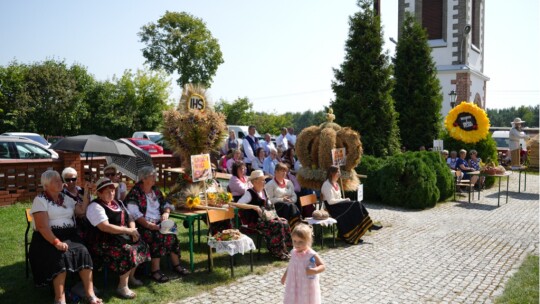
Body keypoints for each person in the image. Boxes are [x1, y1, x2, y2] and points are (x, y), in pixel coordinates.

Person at [29, 170, 102, 304]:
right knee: (60, 257)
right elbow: (42, 227)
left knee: (83, 251)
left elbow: (81, 211)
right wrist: (56, 242)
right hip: (47, 238)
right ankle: (60, 298)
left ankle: (90, 294)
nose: (60, 182)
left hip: (69, 235)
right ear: (46, 185)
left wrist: (86, 191)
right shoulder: (40, 200)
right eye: (55, 180)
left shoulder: (66, 198)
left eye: (59, 180)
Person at [86, 177, 150, 299]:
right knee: (127, 251)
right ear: (99, 193)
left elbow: (129, 217)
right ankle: (122, 286)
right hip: (103, 241)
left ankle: (131, 277)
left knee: (141, 245)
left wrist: (133, 231)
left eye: (113, 190)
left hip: (121, 236)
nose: (111, 193)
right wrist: (128, 231)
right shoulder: (95, 206)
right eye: (107, 191)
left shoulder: (118, 203)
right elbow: (105, 227)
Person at [124, 166, 189, 284]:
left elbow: (166, 203)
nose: (155, 178)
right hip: (143, 226)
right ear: (143, 179)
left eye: (155, 175)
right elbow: (134, 215)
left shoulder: (156, 190)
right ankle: (155, 270)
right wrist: (149, 225)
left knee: (172, 233)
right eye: (152, 176)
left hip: (158, 222)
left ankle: (176, 265)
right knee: (158, 236)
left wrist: (166, 212)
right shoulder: (135, 193)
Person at [234, 170, 292, 260]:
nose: (264, 182)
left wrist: (277, 216)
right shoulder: (249, 193)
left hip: (266, 218)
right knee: (278, 225)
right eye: (262, 180)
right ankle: (276, 252)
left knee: (284, 222)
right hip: (255, 221)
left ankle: (284, 249)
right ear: (255, 181)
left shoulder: (264, 191)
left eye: (264, 180)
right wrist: (254, 207)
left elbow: (270, 207)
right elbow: (238, 204)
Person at [321, 166, 381, 245]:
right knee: (355, 204)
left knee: (356, 205)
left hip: (337, 206)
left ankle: (359, 232)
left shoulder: (336, 184)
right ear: (332, 173)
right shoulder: (326, 185)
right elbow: (330, 201)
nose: (339, 174)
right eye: (338, 172)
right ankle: (366, 226)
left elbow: (338, 198)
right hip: (332, 208)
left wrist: (344, 201)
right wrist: (345, 200)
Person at [281, 224, 325, 304]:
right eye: (294, 241)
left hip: (306, 285)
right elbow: (291, 265)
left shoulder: (311, 254)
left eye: (300, 242)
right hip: (293, 283)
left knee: (304, 300)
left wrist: (314, 270)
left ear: (308, 240)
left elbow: (322, 266)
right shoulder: (293, 252)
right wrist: (285, 276)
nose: (297, 244)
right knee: (294, 299)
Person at [265, 163, 301, 229]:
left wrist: (291, 200)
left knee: (291, 205)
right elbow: (269, 200)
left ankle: (294, 226)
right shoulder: (270, 184)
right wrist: (282, 199)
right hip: (277, 208)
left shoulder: (288, 182)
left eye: (285, 171)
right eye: (282, 171)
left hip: (290, 205)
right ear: (276, 172)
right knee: (288, 206)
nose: (284, 173)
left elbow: (294, 195)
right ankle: (293, 226)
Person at [61, 167, 93, 240]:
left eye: (73, 179)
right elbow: (80, 212)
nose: (71, 182)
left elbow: (91, 204)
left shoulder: (82, 190)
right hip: (74, 224)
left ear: (77, 178)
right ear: (63, 180)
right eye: (67, 180)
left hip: (88, 220)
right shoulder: (62, 194)